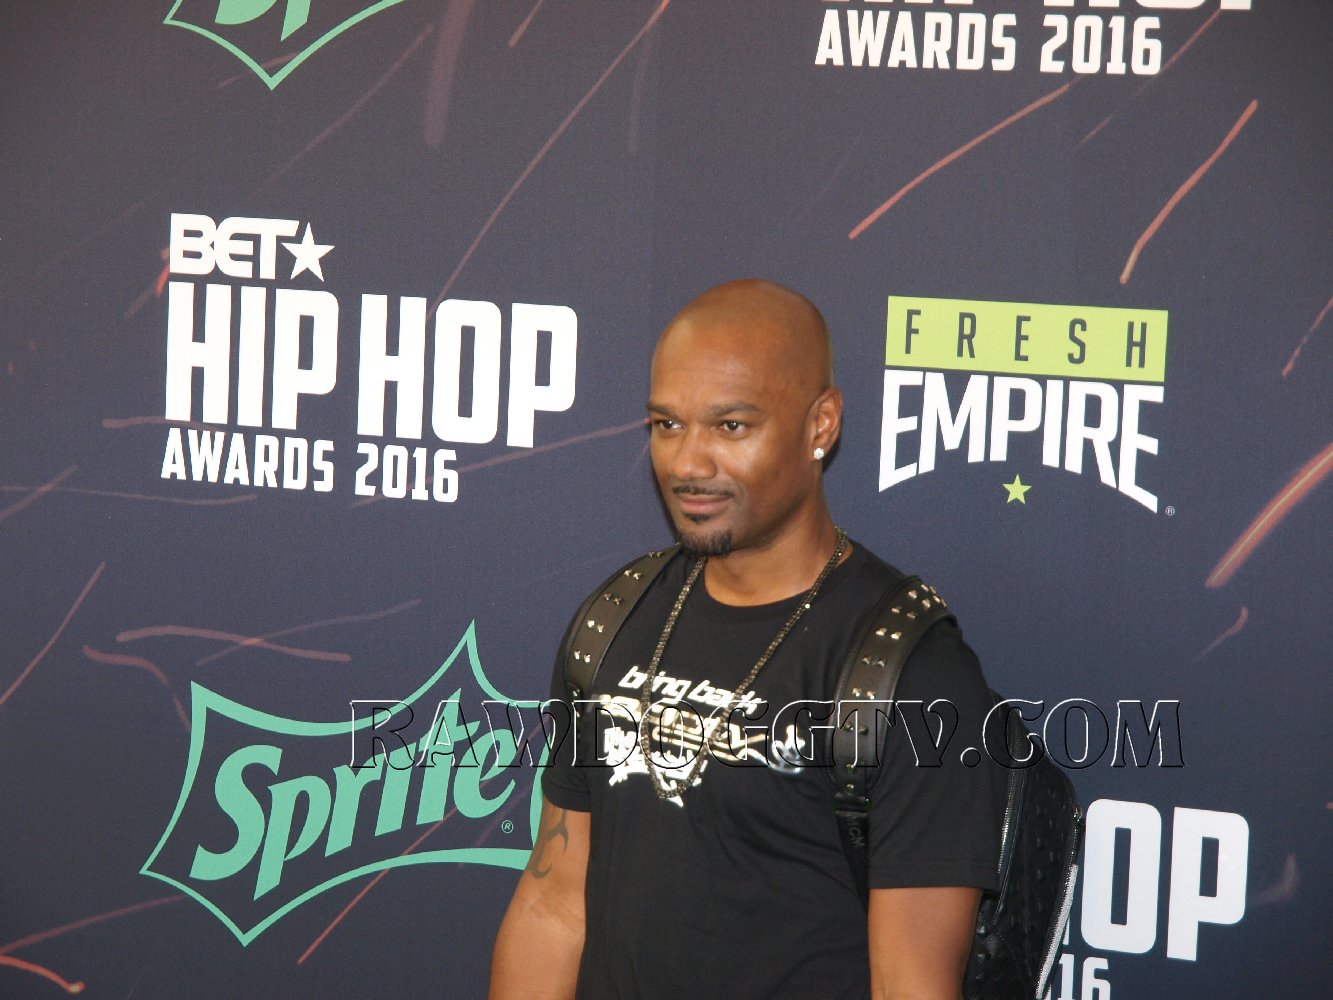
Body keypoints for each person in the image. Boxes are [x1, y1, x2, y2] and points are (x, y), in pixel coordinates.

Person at [490, 279, 1005, 999]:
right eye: (667, 424)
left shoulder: (910, 671)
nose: (687, 464)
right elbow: (553, 906)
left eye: (730, 427)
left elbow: (908, 984)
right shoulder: (614, 621)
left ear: (820, 424)